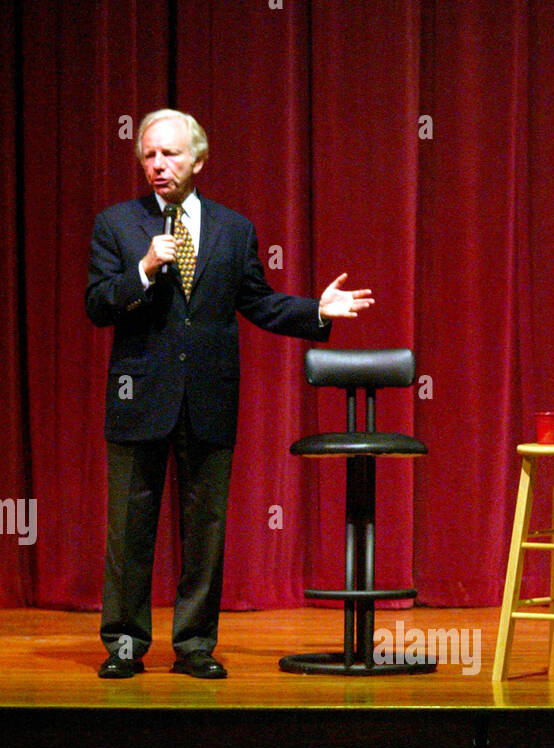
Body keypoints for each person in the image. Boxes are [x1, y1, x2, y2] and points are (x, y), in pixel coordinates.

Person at [86, 108, 374, 679]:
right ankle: (124, 644)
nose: (157, 165)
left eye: (169, 154)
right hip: (139, 397)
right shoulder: (117, 224)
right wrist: (143, 270)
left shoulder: (232, 229)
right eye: (149, 155)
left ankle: (194, 644)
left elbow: (258, 302)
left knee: (205, 528)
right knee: (129, 528)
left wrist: (315, 309)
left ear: (198, 159)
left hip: (209, 398)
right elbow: (98, 305)